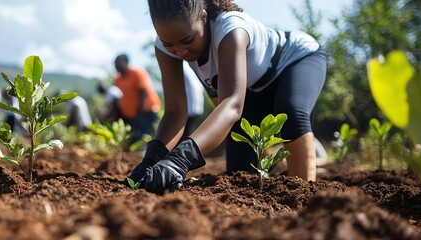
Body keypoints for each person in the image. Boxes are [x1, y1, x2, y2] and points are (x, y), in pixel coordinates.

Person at [128, 0, 326, 194]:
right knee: (239, 174)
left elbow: (231, 105)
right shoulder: (164, 47)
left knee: (290, 111)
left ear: (203, 17)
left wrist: (181, 158)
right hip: (251, 90)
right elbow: (175, 112)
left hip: (295, 60)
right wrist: (152, 159)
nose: (180, 51)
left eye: (188, 40)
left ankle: (306, 194)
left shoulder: (231, 28)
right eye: (169, 45)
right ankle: (276, 167)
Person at [114, 53, 162, 143]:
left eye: (118, 62)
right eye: (115, 63)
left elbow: (144, 93)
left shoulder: (137, 73)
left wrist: (139, 113)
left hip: (146, 112)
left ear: (126, 62)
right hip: (132, 116)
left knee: (143, 138)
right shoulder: (118, 78)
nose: (116, 65)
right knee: (134, 139)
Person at [182, 61, 204, 137]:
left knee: (185, 133)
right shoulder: (188, 66)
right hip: (197, 103)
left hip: (189, 106)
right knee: (189, 131)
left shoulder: (179, 66)